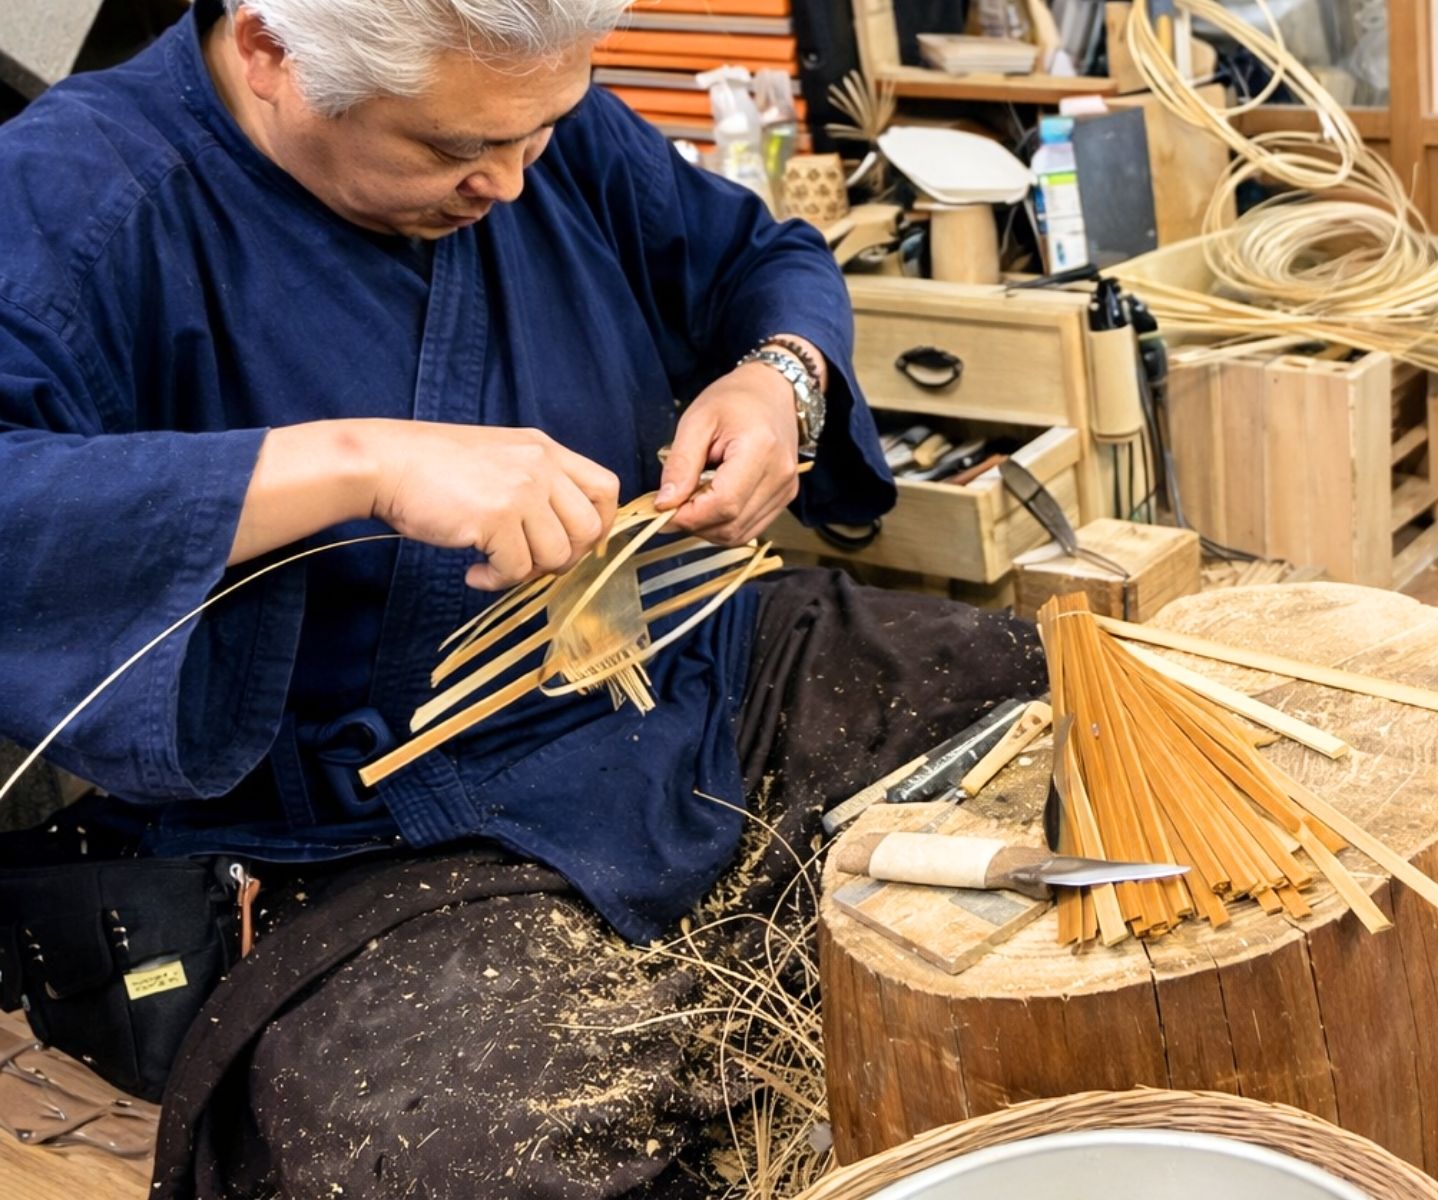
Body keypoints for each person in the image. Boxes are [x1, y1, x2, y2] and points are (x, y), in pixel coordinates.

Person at [0, 1, 1047, 1192]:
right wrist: (357, 463)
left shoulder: (527, 112)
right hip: (376, 840)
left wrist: (778, 385)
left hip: (686, 676)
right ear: (269, 53)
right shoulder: (74, 193)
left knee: (1042, 698)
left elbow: (763, 263)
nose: (503, 184)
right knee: (455, 1154)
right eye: (447, 151)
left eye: (538, 131)